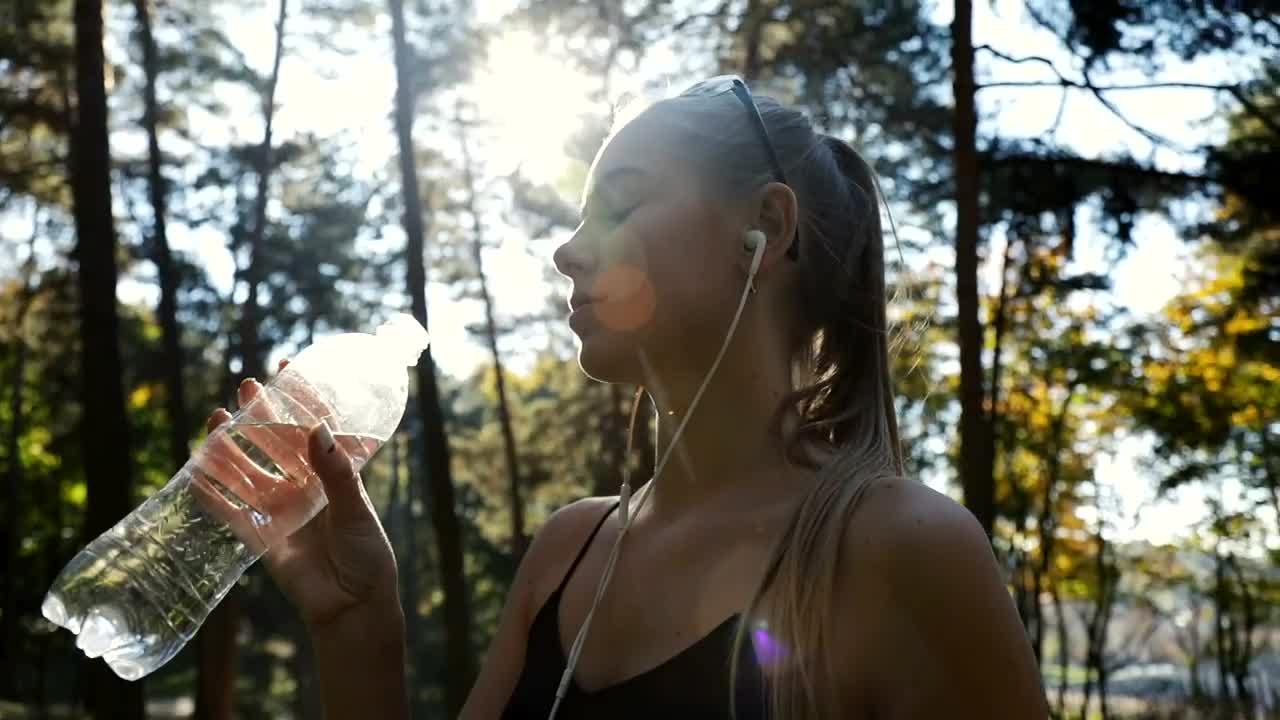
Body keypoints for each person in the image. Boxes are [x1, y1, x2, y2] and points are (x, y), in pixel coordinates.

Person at [206, 76, 1048, 719]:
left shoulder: (904, 550)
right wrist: (358, 625)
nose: (569, 254)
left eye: (624, 201)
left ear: (768, 227)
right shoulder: (569, 551)